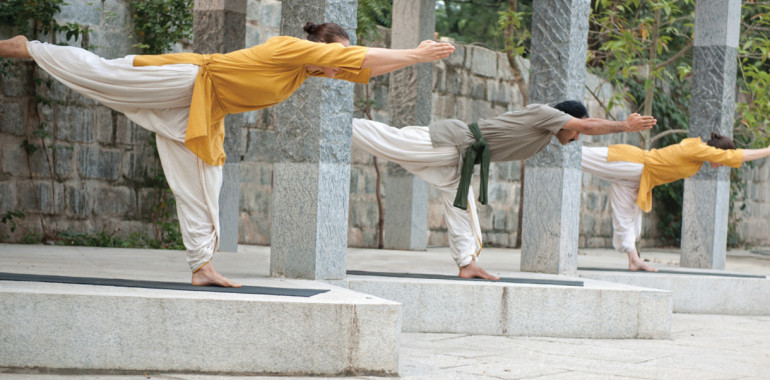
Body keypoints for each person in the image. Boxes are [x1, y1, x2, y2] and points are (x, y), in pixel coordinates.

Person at [0, 22, 456, 287]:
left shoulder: (305, 74)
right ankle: (27, 47)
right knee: (101, 75)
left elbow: (365, 64)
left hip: (202, 109)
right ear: (321, 45)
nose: (336, 68)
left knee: (203, 178)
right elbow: (361, 56)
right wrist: (416, 54)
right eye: (333, 57)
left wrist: (413, 59)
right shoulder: (290, 49)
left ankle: (202, 266)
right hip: (186, 79)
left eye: (337, 63)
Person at [351, 101, 657, 280]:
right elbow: (588, 126)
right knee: (387, 141)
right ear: (567, 121)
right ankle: (342, 123)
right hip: (453, 141)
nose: (577, 137)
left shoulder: (542, 136)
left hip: (461, 156)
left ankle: (466, 263)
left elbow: (583, 128)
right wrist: (624, 127)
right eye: (576, 130)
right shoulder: (543, 113)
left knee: (460, 205)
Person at [582, 131, 770, 272]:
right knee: (580, 156)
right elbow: (734, 156)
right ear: (717, 152)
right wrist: (767, 151)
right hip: (634, 162)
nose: (722, 164)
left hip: (639, 177)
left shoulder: (696, 155)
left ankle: (634, 260)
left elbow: (727, 157)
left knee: (627, 217)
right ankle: (556, 133)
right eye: (722, 159)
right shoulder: (698, 148)